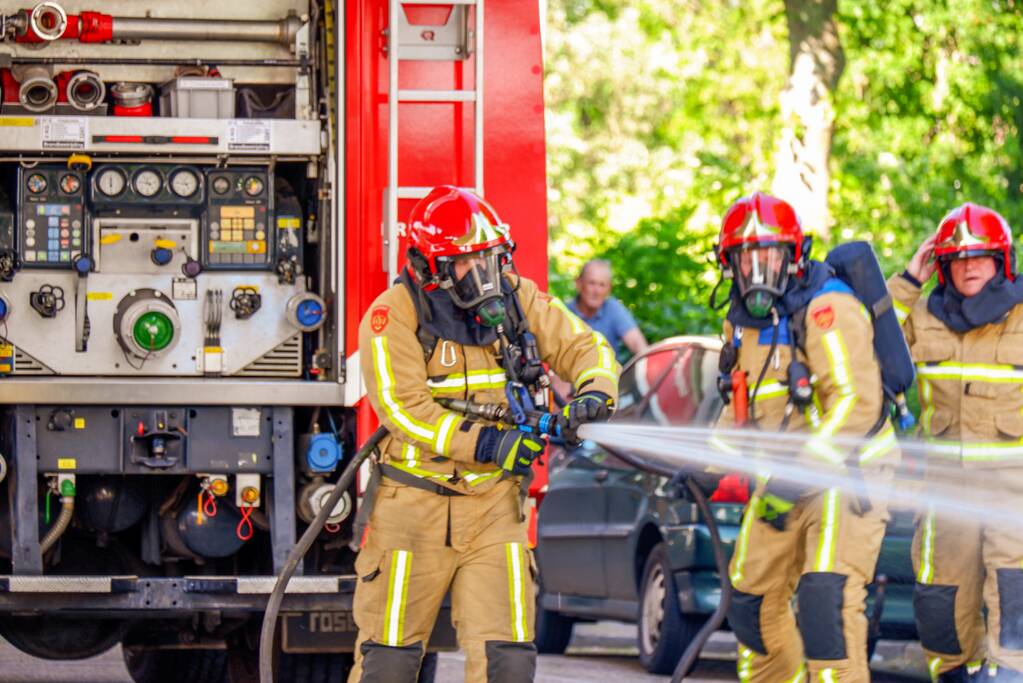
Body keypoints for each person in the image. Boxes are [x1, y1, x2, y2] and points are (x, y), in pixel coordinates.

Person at [350, 186, 619, 683]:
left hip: (495, 507)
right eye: (464, 263)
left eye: (489, 258)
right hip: (412, 512)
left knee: (507, 662)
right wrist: (491, 443)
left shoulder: (518, 296)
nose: (484, 276)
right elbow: (405, 411)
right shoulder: (391, 318)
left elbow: (587, 346)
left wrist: (593, 393)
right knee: (387, 665)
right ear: (429, 267)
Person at [712, 192, 898, 682]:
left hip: (848, 475)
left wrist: (797, 475)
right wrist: (701, 462)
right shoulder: (741, 324)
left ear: (793, 255)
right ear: (728, 262)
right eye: (745, 257)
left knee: (826, 601)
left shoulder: (827, 308)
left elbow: (857, 404)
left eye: (768, 254)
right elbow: (741, 411)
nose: (757, 268)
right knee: (751, 599)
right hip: (784, 482)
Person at [891, 203, 1023, 682]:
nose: (969, 266)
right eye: (958, 258)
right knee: (940, 596)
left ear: (1002, 260)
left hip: (1015, 494)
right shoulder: (921, 316)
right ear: (942, 264)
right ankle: (952, 675)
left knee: (1014, 592)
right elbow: (867, 349)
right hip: (943, 494)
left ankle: (1010, 676)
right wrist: (907, 281)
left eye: (981, 257)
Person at [567, 259, 648, 360]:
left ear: (609, 289)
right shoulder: (564, 314)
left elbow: (638, 345)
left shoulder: (613, 309)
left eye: (602, 285)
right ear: (578, 283)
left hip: (607, 375)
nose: (597, 291)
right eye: (592, 283)